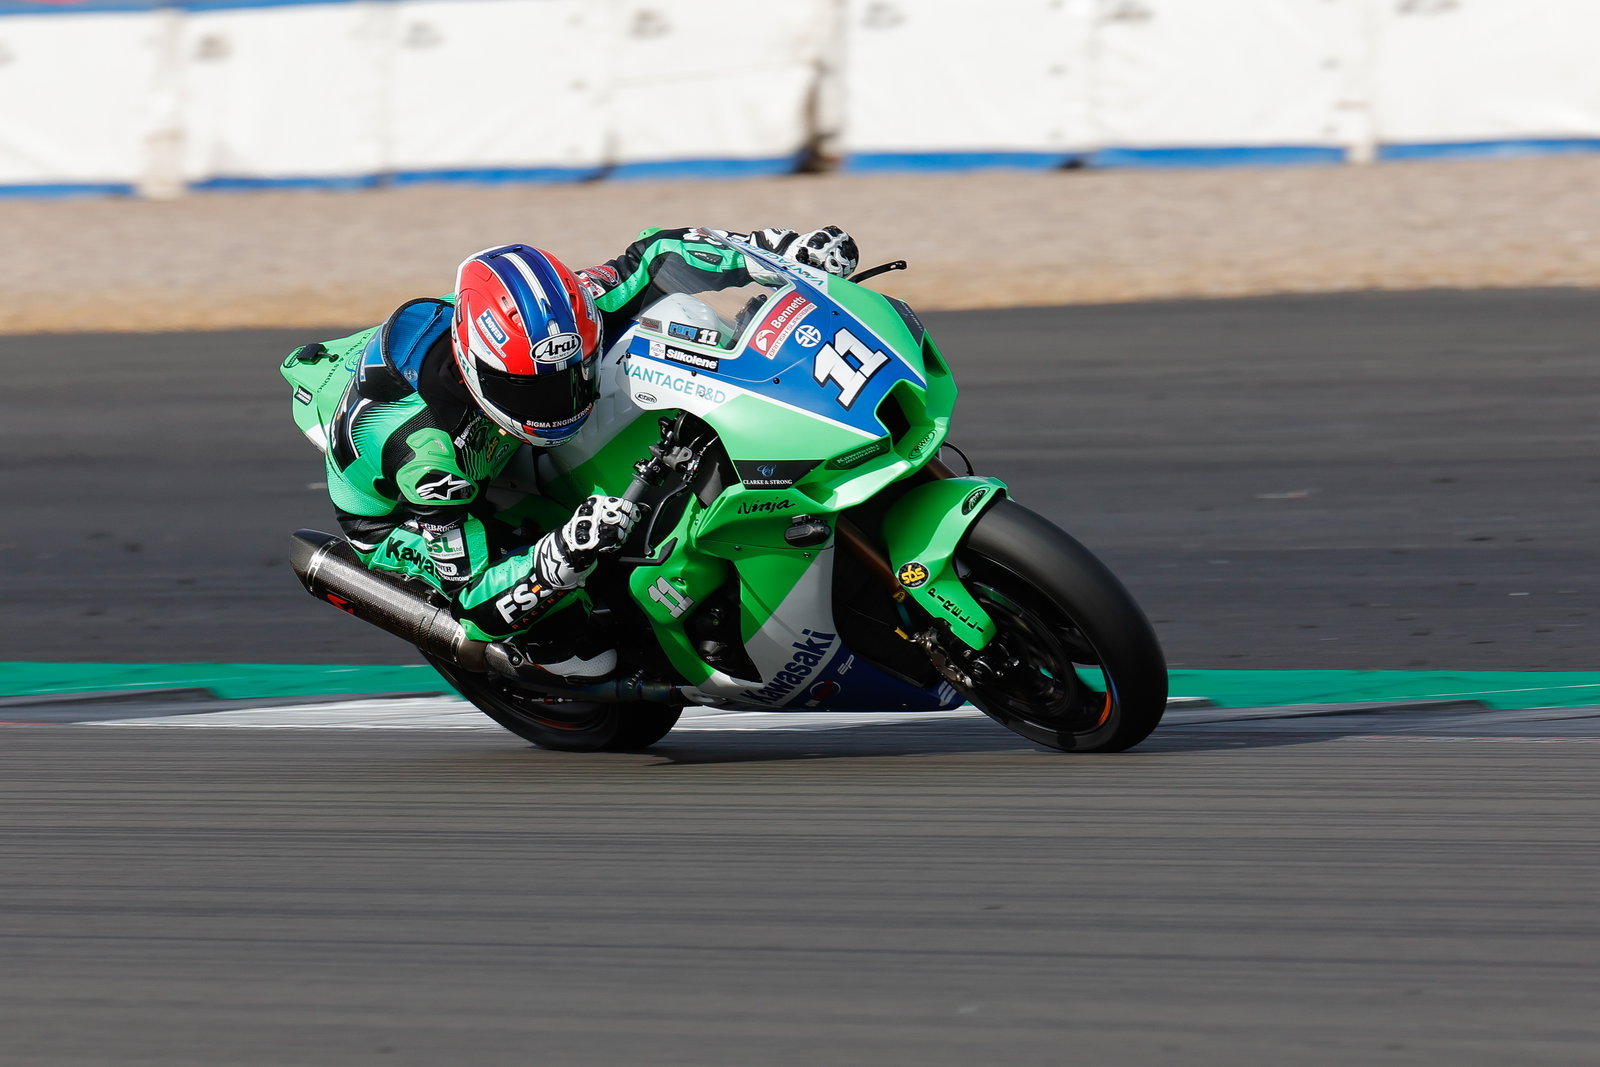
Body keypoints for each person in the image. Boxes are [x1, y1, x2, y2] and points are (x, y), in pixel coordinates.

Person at [282, 226, 859, 680]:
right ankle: (550, 651)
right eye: (535, 387)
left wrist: (775, 253)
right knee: (580, 652)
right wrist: (562, 550)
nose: (560, 397)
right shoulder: (429, 459)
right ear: (480, 368)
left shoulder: (563, 317)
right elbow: (475, 597)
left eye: (569, 372)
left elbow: (657, 259)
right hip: (413, 517)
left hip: (500, 432)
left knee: (674, 327)